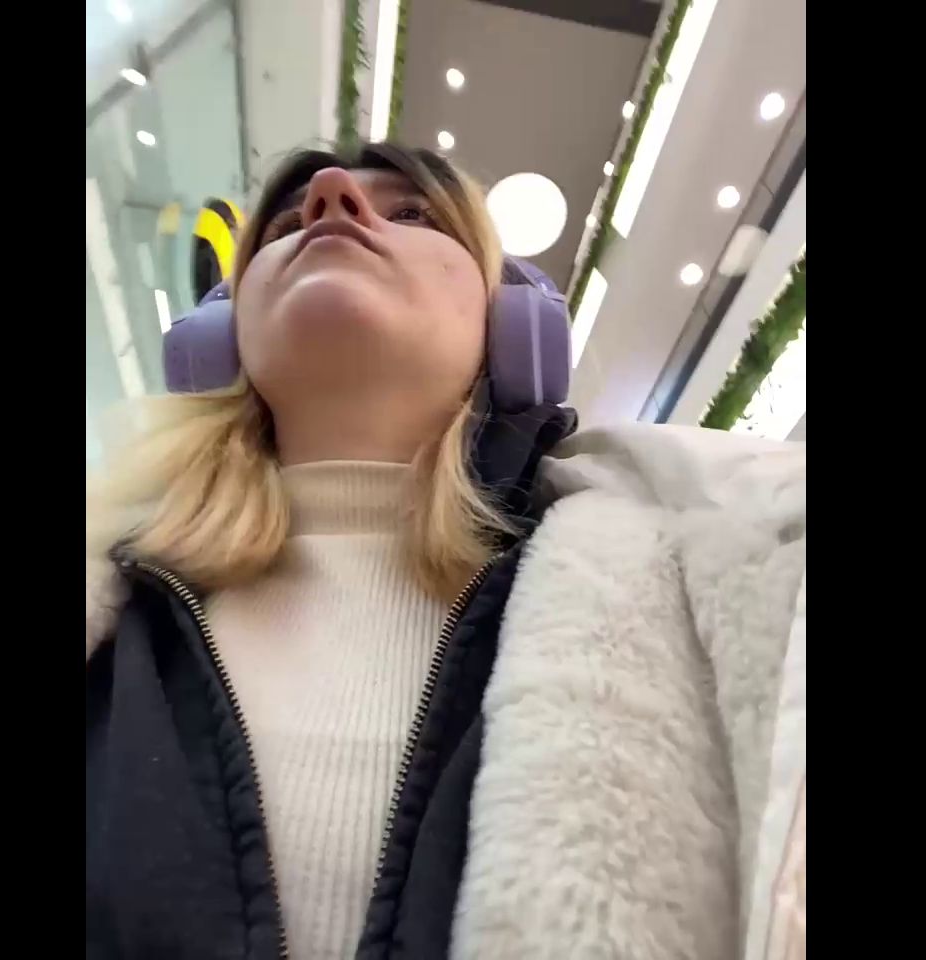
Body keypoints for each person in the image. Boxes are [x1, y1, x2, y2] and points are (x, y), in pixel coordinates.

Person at [86, 142, 806, 960]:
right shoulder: (117, 609)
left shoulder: (680, 596)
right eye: (285, 226)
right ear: (218, 337)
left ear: (514, 322)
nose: (330, 197)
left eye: (413, 213)